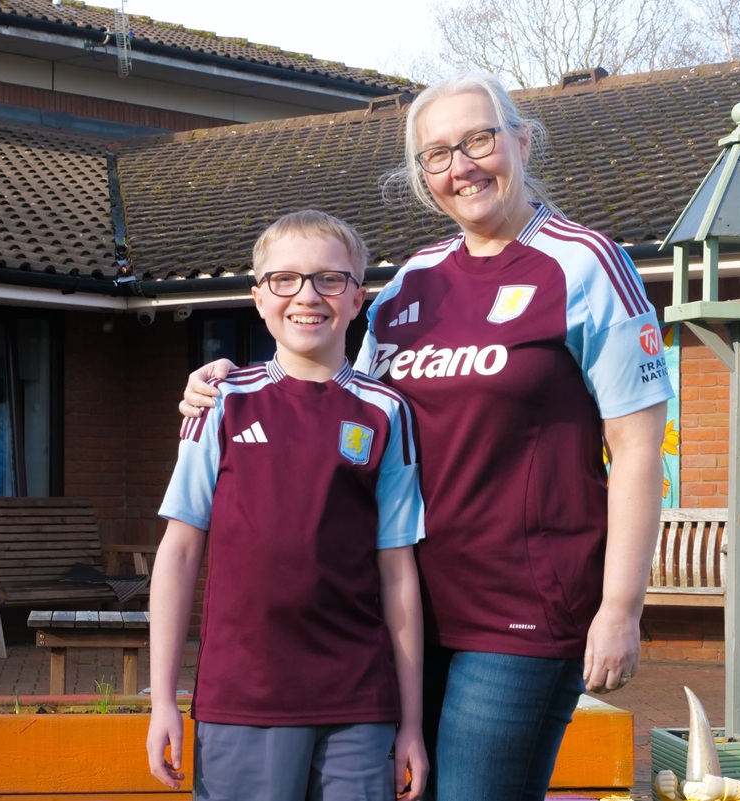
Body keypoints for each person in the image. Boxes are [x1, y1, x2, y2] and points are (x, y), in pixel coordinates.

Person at [179, 73, 672, 801]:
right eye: (437, 154)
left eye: (479, 140)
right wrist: (225, 379)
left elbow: (637, 447)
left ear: (522, 141)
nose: (461, 166)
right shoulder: (413, 282)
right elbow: (340, 400)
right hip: (400, 612)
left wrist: (620, 607)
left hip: (520, 616)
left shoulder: (585, 265)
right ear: (421, 177)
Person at [148, 209, 429, 801]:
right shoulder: (221, 404)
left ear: (359, 300)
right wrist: (163, 702)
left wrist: (410, 723)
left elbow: (398, 573)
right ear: (258, 297)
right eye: (285, 279)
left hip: (358, 702)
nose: (307, 295)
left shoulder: (386, 412)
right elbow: (177, 555)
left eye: (330, 279)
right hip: (243, 698)